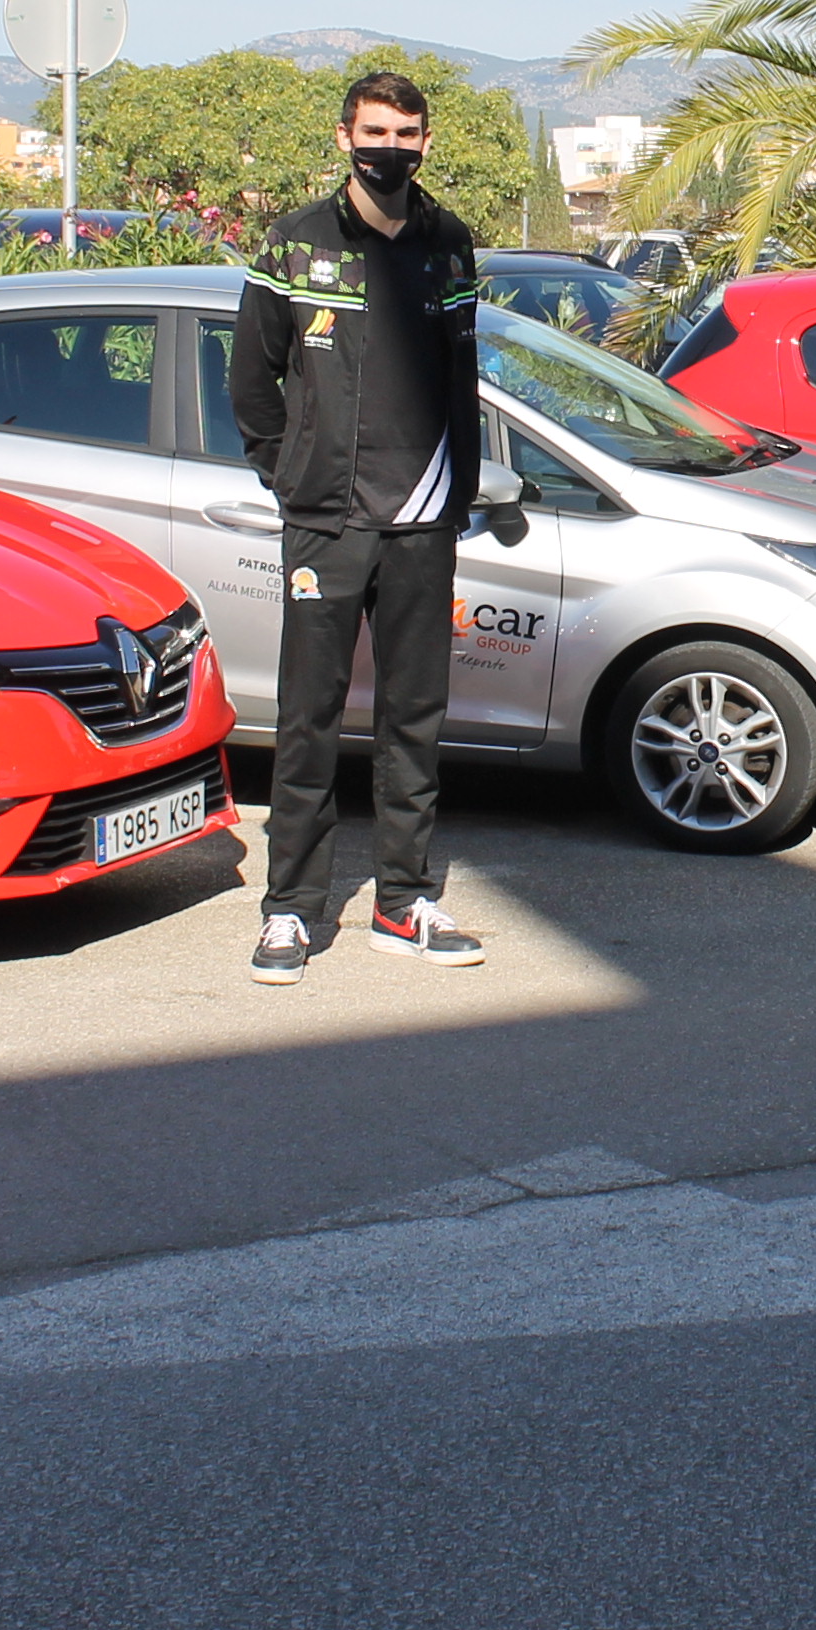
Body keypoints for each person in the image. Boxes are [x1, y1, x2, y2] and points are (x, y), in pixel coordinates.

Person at [229, 71, 489, 980]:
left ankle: (405, 902)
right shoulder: (294, 244)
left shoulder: (450, 243)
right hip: (326, 523)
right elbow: (251, 384)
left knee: (414, 720)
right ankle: (291, 910)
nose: (391, 147)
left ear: (425, 142)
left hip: (424, 521)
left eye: (407, 133)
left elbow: (462, 374)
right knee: (308, 720)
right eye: (375, 131)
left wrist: (456, 491)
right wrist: (291, 476)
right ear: (344, 137)